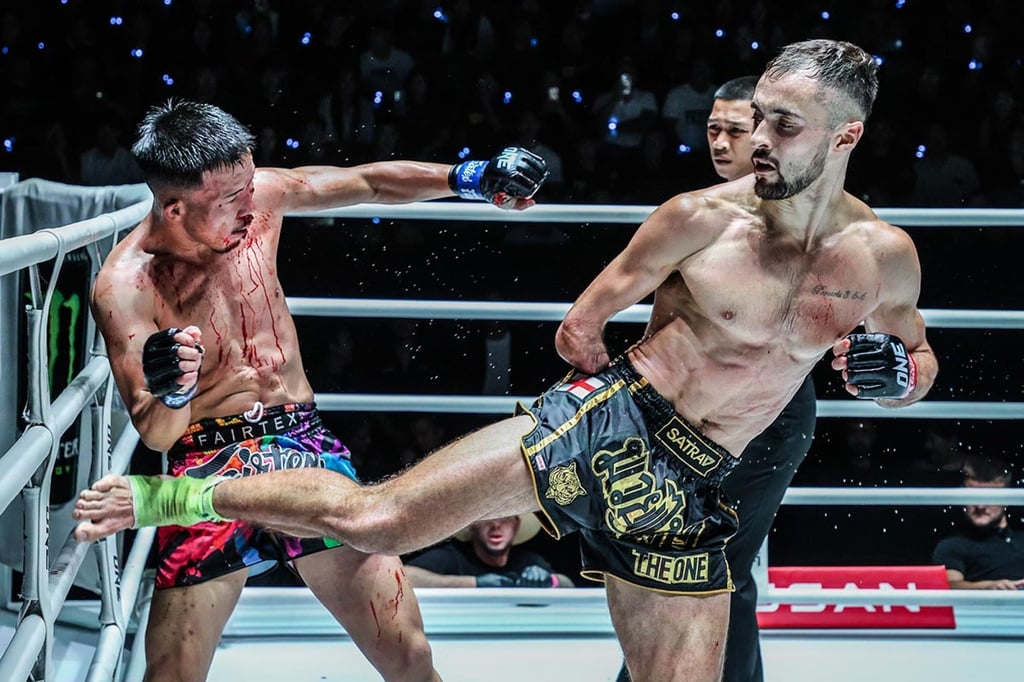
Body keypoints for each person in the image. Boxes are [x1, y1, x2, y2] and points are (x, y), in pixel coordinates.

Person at [75, 40, 938, 682]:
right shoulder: (699, 219)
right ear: (176, 203)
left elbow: (918, 354)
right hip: (613, 419)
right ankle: (174, 497)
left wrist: (901, 378)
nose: (756, 139)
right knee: (382, 523)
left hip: (697, 476)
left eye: (781, 125)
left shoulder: (884, 257)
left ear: (843, 136)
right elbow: (582, 326)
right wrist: (596, 377)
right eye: (756, 119)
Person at [77, 98, 547, 682]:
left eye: (249, 186)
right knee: (172, 674)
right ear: (174, 208)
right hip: (205, 460)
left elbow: (369, 183)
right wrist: (174, 390)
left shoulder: (257, 197)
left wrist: (468, 177)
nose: (251, 206)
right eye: (230, 200)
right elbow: (156, 431)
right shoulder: (126, 286)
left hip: (302, 442)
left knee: (410, 655)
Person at [617, 74, 818, 682]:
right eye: (713, 129)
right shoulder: (696, 213)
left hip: (767, 418)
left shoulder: (813, 223)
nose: (723, 142)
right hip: (680, 415)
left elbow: (887, 337)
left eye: (737, 128)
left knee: (717, 568)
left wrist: (884, 362)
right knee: (671, 567)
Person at [404, 514, 575, 588]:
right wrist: (475, 584)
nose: (496, 525)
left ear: (516, 526)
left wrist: (550, 581)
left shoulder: (529, 561)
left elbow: (568, 585)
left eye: (506, 518)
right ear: (473, 527)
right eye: (488, 519)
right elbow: (405, 578)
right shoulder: (451, 557)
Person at [932, 456, 1024, 590]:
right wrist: (989, 587)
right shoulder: (953, 545)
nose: (980, 506)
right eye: (973, 496)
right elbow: (949, 586)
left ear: (1007, 498)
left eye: (989, 498)